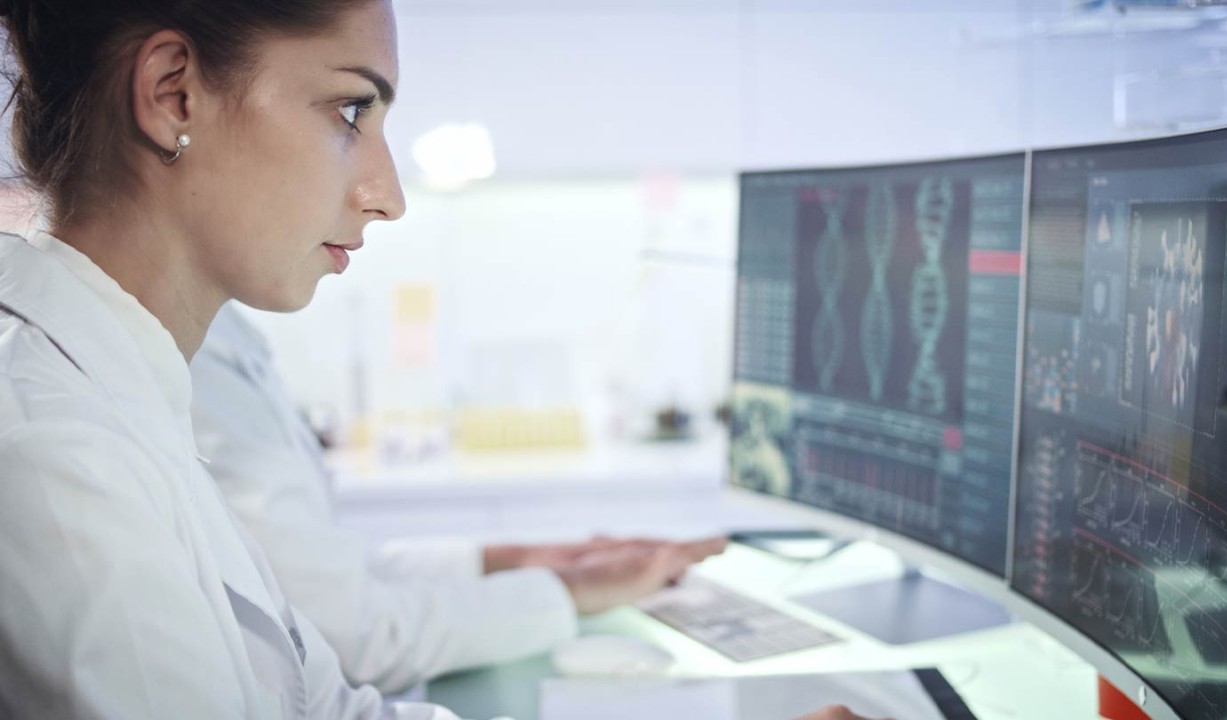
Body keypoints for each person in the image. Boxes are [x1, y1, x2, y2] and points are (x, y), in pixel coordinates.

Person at [0, 0, 868, 718]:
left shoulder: (127, 402)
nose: (390, 196)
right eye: (350, 111)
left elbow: (325, 702)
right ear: (173, 94)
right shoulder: (57, 461)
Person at [192, 303, 729, 691]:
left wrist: (515, 560)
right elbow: (355, 636)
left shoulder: (221, 333)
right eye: (346, 136)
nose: (387, 198)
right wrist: (571, 588)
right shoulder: (199, 365)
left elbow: (323, 576)